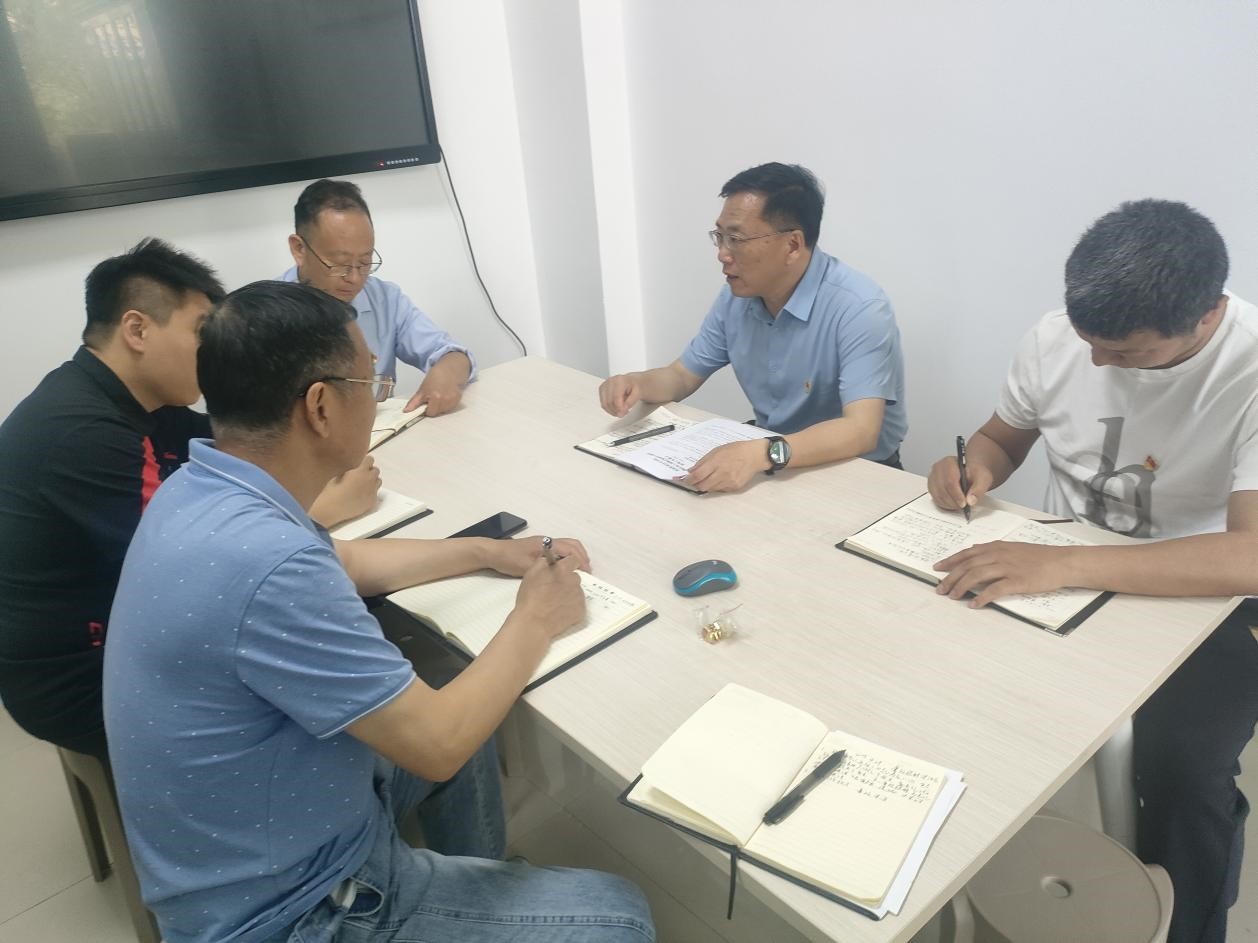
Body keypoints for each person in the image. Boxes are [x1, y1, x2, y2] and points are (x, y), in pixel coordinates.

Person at [102, 280, 654, 943]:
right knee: (620, 915)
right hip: (290, 912)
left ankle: (471, 901)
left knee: (451, 696)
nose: (379, 395)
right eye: (370, 382)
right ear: (320, 407)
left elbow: (349, 561)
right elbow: (439, 743)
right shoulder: (271, 565)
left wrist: (487, 550)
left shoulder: (204, 486)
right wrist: (538, 615)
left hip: (251, 842)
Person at [926, 199, 1258, 943]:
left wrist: (1065, 564)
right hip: (1055, 566)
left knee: (1183, 765)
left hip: (1203, 596)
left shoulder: (1250, 365)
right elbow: (1002, 438)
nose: (1101, 364)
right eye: (1090, 343)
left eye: (1127, 353)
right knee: (943, 679)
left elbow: (1250, 556)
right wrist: (973, 467)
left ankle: (1189, 925)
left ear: (1207, 315)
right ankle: (953, 876)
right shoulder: (1055, 338)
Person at [0, 240, 379, 763]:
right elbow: (190, 562)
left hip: (125, 631)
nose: (212, 350)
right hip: (81, 681)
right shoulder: (83, 435)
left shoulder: (138, 401)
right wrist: (324, 508)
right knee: (331, 672)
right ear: (137, 330)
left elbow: (248, 443)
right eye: (202, 331)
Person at [598, 162, 907, 492]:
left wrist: (762, 454)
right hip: (771, 459)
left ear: (792, 245)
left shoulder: (859, 307)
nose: (722, 254)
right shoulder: (738, 296)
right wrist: (637, 383)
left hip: (856, 473)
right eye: (719, 237)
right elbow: (681, 376)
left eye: (736, 239)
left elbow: (860, 430)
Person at [281, 178, 474, 416]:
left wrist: (447, 371)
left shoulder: (385, 300)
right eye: (340, 264)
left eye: (364, 262)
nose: (354, 278)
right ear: (299, 249)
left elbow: (450, 353)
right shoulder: (263, 316)